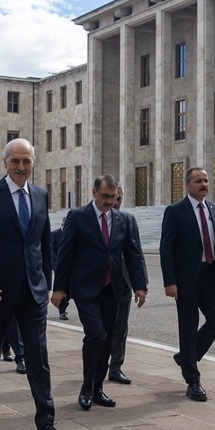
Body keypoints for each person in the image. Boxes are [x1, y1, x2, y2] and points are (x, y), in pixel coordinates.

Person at [0, 138, 67, 430]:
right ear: (5, 163)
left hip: (32, 292)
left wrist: (48, 281)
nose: (21, 167)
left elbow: (43, 241)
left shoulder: (39, 195)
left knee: (39, 359)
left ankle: (45, 424)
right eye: (16, 161)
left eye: (27, 161)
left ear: (33, 162)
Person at [52, 175, 148, 410]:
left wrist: (140, 285)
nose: (109, 201)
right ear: (94, 192)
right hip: (86, 288)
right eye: (105, 196)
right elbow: (65, 254)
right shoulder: (78, 217)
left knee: (107, 340)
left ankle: (98, 389)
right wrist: (60, 288)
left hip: (112, 289)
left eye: (113, 197)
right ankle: (86, 387)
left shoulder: (123, 220)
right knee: (96, 335)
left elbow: (133, 254)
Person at [159, 167, 215, 402]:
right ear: (188, 185)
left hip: (211, 276)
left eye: (206, 180)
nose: (204, 184)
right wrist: (170, 281)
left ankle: (186, 357)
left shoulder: (214, 209)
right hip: (186, 281)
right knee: (188, 328)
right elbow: (166, 248)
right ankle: (193, 380)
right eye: (199, 180)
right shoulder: (175, 211)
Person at [107, 188, 143, 385]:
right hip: (98, 283)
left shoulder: (128, 220)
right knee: (99, 330)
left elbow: (136, 254)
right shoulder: (89, 218)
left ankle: (116, 367)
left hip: (122, 283)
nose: (115, 201)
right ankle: (96, 367)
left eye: (118, 197)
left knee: (120, 328)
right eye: (111, 197)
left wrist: (140, 284)